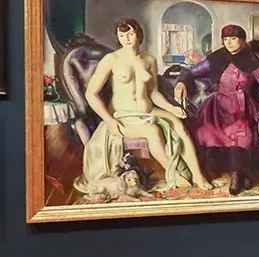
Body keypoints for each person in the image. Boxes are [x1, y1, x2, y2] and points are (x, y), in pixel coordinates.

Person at [75, 19, 209, 196]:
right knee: (152, 131)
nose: (127, 39)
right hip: (123, 114)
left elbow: (153, 94)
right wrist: (108, 119)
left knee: (181, 128)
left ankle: (199, 176)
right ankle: (174, 175)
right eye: (122, 35)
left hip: (148, 110)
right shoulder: (111, 59)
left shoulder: (149, 60)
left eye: (130, 34)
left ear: (139, 35)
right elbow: (91, 93)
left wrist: (171, 109)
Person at [173, 24, 259, 195]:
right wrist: (181, 83)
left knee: (243, 135)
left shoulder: (252, 61)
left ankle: (240, 173)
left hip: (243, 107)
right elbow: (190, 72)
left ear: (243, 41)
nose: (229, 43)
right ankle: (220, 172)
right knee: (204, 131)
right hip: (218, 106)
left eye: (233, 39)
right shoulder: (217, 58)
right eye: (226, 40)